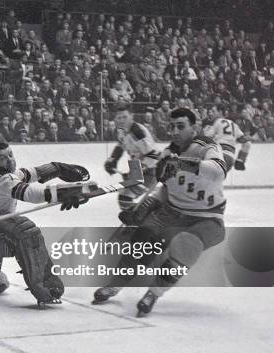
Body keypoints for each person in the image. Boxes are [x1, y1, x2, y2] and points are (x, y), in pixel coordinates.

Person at [91, 108, 227, 316]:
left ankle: (154, 293)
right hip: (173, 211)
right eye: (172, 126)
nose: (174, 131)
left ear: (194, 127)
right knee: (142, 239)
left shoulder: (206, 145)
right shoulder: (167, 152)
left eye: (180, 126)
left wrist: (183, 164)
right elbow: (165, 187)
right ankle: (115, 284)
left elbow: (219, 171)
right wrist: (145, 206)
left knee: (186, 245)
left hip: (207, 216)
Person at [0, 142, 92, 306]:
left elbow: (32, 173)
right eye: (2, 158)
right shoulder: (2, 180)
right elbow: (31, 193)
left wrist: (59, 168)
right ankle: (46, 287)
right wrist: (67, 193)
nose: (9, 160)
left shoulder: (2, 175)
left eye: (10, 154)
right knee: (25, 232)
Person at [104, 104, 160, 211]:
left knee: (125, 198)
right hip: (138, 166)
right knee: (125, 199)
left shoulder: (137, 131)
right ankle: (136, 220)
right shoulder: (121, 130)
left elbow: (153, 155)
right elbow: (121, 146)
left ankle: (141, 221)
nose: (121, 120)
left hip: (152, 169)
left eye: (125, 117)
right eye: (119, 118)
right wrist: (112, 160)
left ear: (132, 116)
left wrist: (137, 171)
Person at [202, 104, 251, 171]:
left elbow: (205, 138)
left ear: (220, 112)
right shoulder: (233, 124)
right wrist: (240, 159)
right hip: (230, 159)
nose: (211, 114)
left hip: (218, 155)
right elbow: (247, 143)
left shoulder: (217, 122)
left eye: (213, 111)